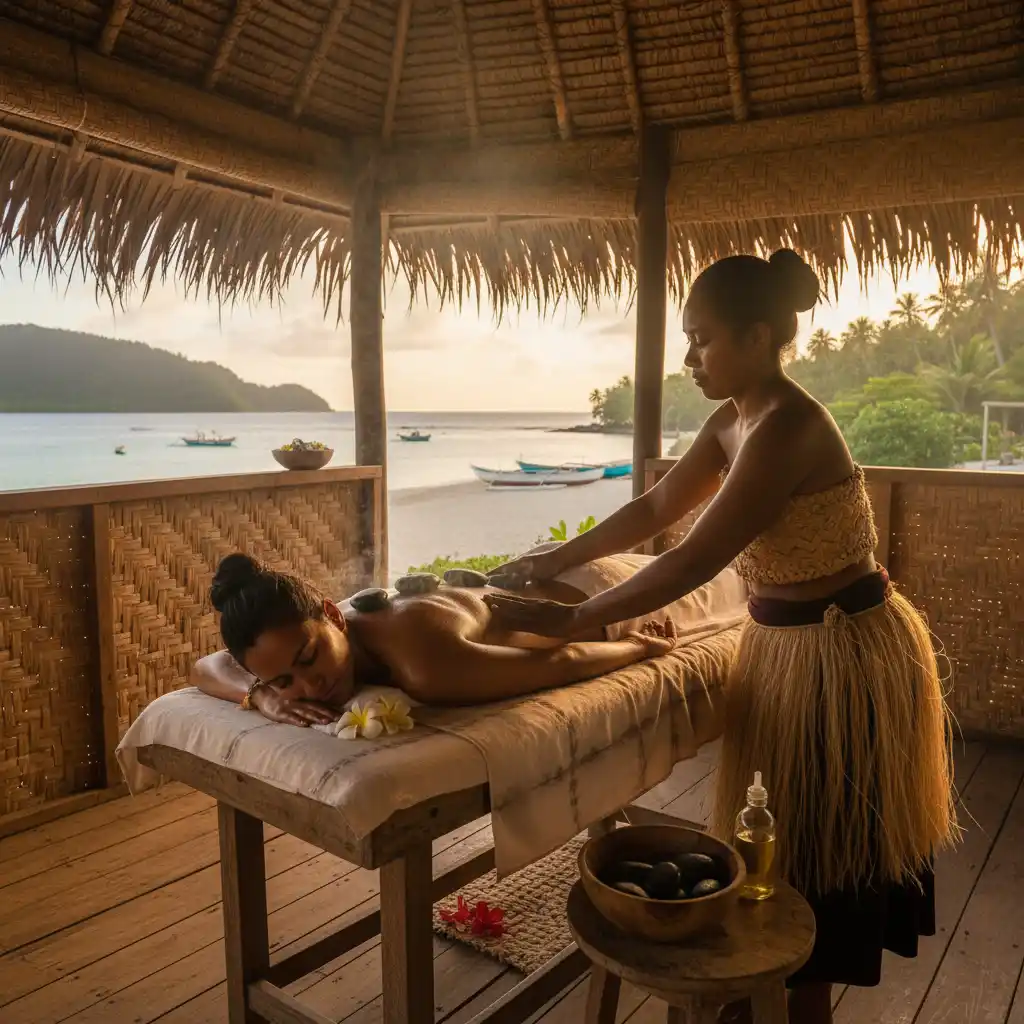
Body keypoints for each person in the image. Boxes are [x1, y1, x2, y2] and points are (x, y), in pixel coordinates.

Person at [484, 249, 957, 1024]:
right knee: (779, 839)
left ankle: (798, 1006)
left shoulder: (786, 427)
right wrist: (554, 558)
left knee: (823, 853)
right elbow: (655, 510)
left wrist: (573, 621)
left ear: (757, 335)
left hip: (840, 657)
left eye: (701, 339)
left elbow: (695, 556)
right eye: (687, 338)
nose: (690, 357)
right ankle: (766, 994)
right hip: (786, 649)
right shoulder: (734, 418)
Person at [190, 551, 691, 724]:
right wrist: (260, 697)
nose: (308, 685)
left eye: (308, 658)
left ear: (330, 616)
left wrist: (639, 648)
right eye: (284, 681)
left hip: (599, 597)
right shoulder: (313, 633)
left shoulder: (423, 665)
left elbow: (561, 661)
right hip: (525, 576)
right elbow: (208, 667)